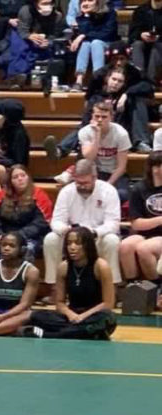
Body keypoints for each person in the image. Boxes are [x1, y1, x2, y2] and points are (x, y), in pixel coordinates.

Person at [25, 226, 117, 339]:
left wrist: (82, 317)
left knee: (107, 318)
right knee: (38, 316)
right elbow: (59, 303)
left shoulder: (101, 266)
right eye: (69, 243)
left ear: (87, 245)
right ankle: (84, 333)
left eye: (77, 243)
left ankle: (49, 335)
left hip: (93, 315)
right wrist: (71, 315)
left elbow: (108, 304)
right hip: (71, 316)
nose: (72, 247)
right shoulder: (63, 267)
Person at [46, 159, 121, 287]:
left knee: (112, 240)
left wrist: (95, 232)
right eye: (78, 182)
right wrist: (66, 230)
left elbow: (113, 223)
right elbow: (56, 221)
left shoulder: (109, 191)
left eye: (85, 183)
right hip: (72, 238)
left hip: (97, 237)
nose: (81, 186)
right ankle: (54, 286)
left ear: (94, 177)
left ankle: (111, 286)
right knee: (51, 239)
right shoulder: (66, 192)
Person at [0, 164, 52, 268]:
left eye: (23, 175)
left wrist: (17, 237)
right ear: (10, 182)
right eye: (15, 177)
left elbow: (40, 223)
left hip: (28, 237)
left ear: (28, 177)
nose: (20, 179)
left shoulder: (39, 195)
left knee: (27, 249)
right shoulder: (1, 196)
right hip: (3, 236)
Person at [77, 100, 132, 203]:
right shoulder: (85, 132)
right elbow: (89, 158)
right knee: (80, 191)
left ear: (111, 118)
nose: (100, 120)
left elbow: (122, 167)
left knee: (122, 194)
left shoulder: (121, 134)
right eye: (97, 116)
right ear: (92, 116)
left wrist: (108, 184)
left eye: (104, 117)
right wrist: (97, 136)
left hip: (115, 173)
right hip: (95, 171)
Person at [120, 151, 162, 281]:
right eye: (157, 166)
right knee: (125, 246)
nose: (159, 169)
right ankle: (134, 285)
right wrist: (160, 219)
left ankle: (155, 287)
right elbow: (136, 223)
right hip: (146, 234)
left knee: (144, 249)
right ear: (152, 168)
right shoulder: (139, 189)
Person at [0, 99, 30, 189]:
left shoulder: (19, 134)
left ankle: (0, 200)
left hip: (12, 169)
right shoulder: (2, 127)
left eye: (1, 113)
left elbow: (18, 161)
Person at [71, 0, 118, 91]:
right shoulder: (81, 18)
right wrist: (86, 17)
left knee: (96, 43)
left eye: (90, 0)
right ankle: (79, 80)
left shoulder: (109, 13)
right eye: (83, 1)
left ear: (98, 2)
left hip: (108, 43)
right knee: (86, 44)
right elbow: (82, 35)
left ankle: (98, 79)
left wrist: (84, 35)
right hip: (90, 45)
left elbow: (107, 33)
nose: (85, 3)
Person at [130, 0, 162, 82]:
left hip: (160, 44)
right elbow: (132, 33)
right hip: (143, 42)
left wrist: (158, 37)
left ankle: (151, 81)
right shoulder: (141, 10)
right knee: (137, 45)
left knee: (156, 48)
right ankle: (138, 79)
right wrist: (141, 34)